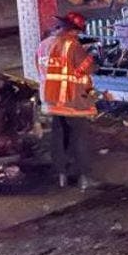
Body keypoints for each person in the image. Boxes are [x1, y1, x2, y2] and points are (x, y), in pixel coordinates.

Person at [36, 11, 102, 191]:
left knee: (58, 138)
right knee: (79, 138)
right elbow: (87, 68)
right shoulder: (71, 45)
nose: (77, 36)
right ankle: (84, 178)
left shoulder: (43, 45)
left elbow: (42, 70)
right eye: (77, 32)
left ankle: (61, 176)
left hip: (50, 100)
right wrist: (93, 57)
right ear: (73, 30)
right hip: (71, 101)